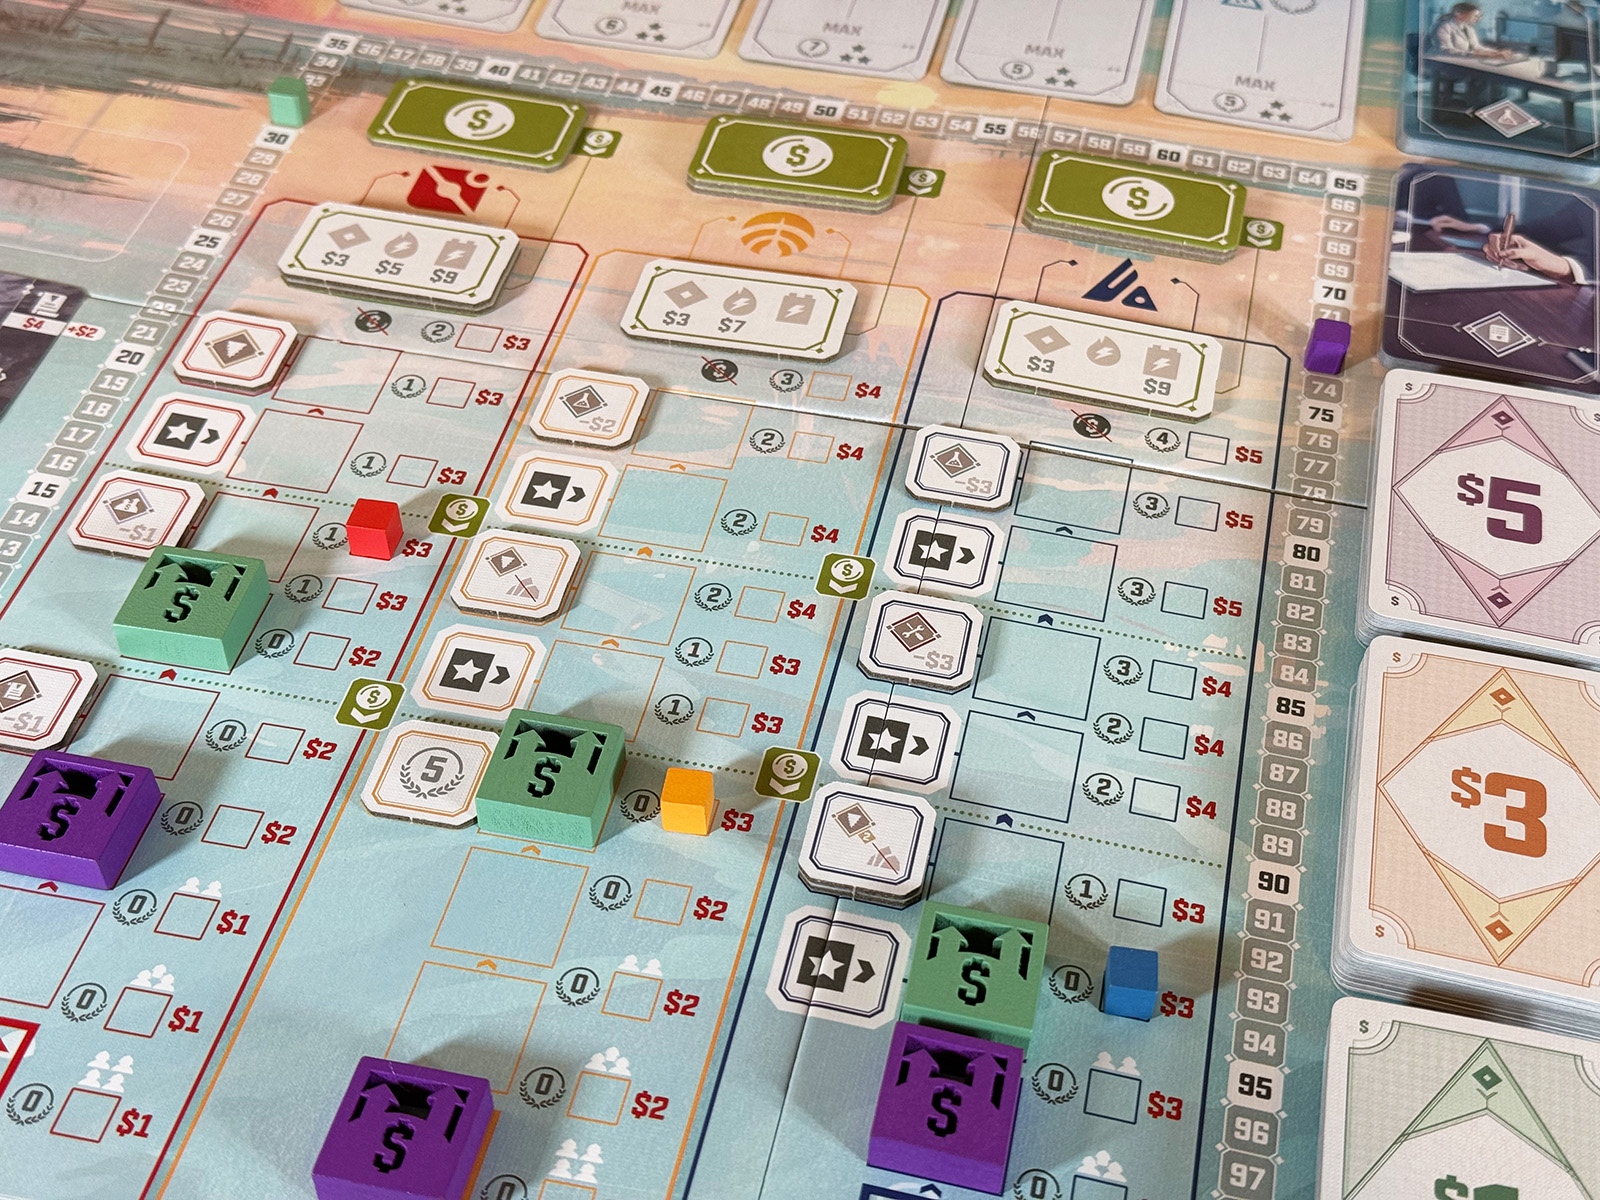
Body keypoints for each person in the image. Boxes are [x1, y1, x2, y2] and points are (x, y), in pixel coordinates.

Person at [1429, 2, 1518, 58]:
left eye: (1479, 16)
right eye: (1475, 16)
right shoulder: (1443, 26)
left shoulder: (1469, 28)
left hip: (1460, 62)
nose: (1478, 19)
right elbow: (1445, 51)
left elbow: (1476, 47)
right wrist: (1484, 55)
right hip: (1441, 65)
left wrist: (1496, 52)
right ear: (1459, 14)